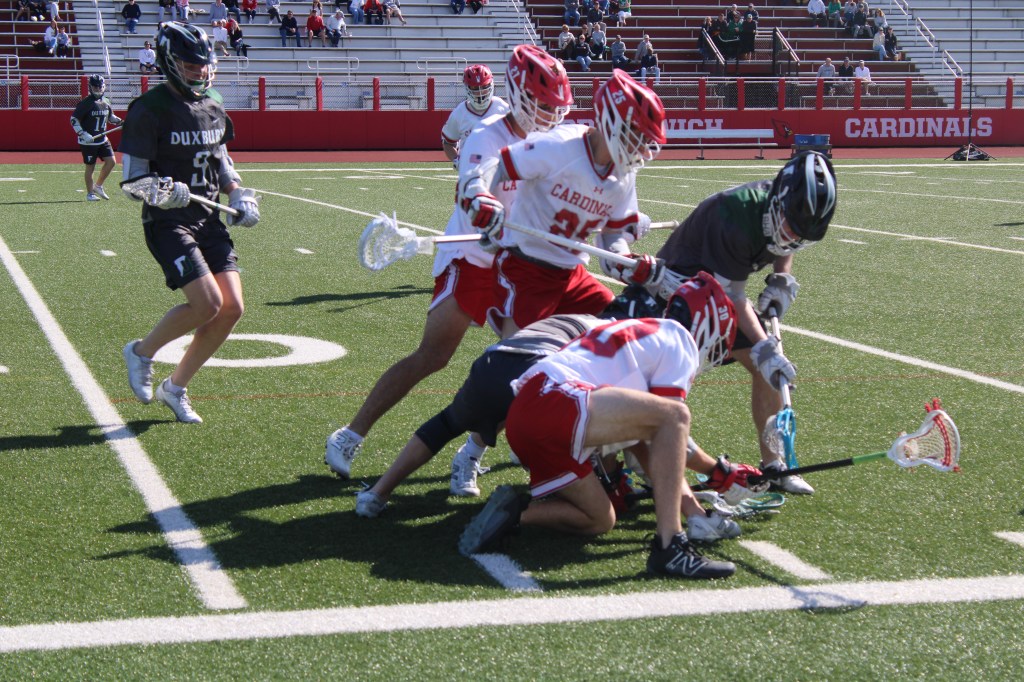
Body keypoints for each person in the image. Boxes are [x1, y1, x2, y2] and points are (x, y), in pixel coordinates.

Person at [324, 45, 573, 485]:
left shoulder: (553, 139)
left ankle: (472, 452)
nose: (551, 116)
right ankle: (350, 434)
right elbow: (473, 183)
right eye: (542, 105)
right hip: (472, 256)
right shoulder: (487, 134)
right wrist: (485, 206)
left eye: (556, 107)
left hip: (519, 264)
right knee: (433, 356)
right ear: (519, 97)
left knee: (529, 364)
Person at [457, 275, 745, 579]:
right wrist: (717, 477)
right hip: (555, 400)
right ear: (708, 324)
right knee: (676, 416)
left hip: (525, 415)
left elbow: (644, 437)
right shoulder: (678, 339)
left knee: (600, 519)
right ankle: (670, 546)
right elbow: (669, 431)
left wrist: (696, 508)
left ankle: (515, 513)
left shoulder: (641, 333)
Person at [642, 151, 837, 494]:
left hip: (718, 296)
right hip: (679, 297)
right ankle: (647, 462)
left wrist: (782, 278)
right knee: (669, 383)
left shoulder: (783, 212)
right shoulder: (734, 214)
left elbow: (786, 241)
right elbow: (732, 295)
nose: (792, 237)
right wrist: (764, 347)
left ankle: (775, 465)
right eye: (790, 227)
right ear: (777, 203)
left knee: (767, 371)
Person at [118, 21, 260, 425]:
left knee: (231, 309)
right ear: (169, 62)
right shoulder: (149, 108)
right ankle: (142, 352)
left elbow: (221, 159)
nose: (200, 70)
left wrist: (237, 193)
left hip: (209, 218)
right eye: (190, 63)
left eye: (203, 63)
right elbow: (132, 181)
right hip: (169, 222)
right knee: (208, 304)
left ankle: (175, 387)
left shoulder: (213, 102)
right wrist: (162, 191)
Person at [461, 70, 662, 340]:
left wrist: (625, 262)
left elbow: (611, 235)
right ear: (614, 123)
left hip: (571, 274)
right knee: (520, 353)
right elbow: (499, 165)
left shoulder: (624, 175)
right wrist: (479, 193)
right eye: (641, 137)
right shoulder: (562, 146)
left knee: (617, 331)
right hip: (526, 268)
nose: (645, 150)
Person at [441, 64, 510, 169]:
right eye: (475, 88)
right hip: (470, 171)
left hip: (499, 170)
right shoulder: (460, 113)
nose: (480, 93)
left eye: (483, 87)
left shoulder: (503, 108)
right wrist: (456, 159)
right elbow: (448, 143)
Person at [70, 75, 123, 202]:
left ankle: (98, 186)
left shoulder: (106, 101)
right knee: (90, 167)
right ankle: (90, 194)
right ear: (90, 87)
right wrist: (83, 134)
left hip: (102, 138)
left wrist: (121, 122)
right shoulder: (86, 103)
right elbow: (73, 119)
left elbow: (110, 117)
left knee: (111, 162)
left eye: (100, 87)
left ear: (104, 86)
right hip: (88, 141)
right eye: (95, 87)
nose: (98, 89)